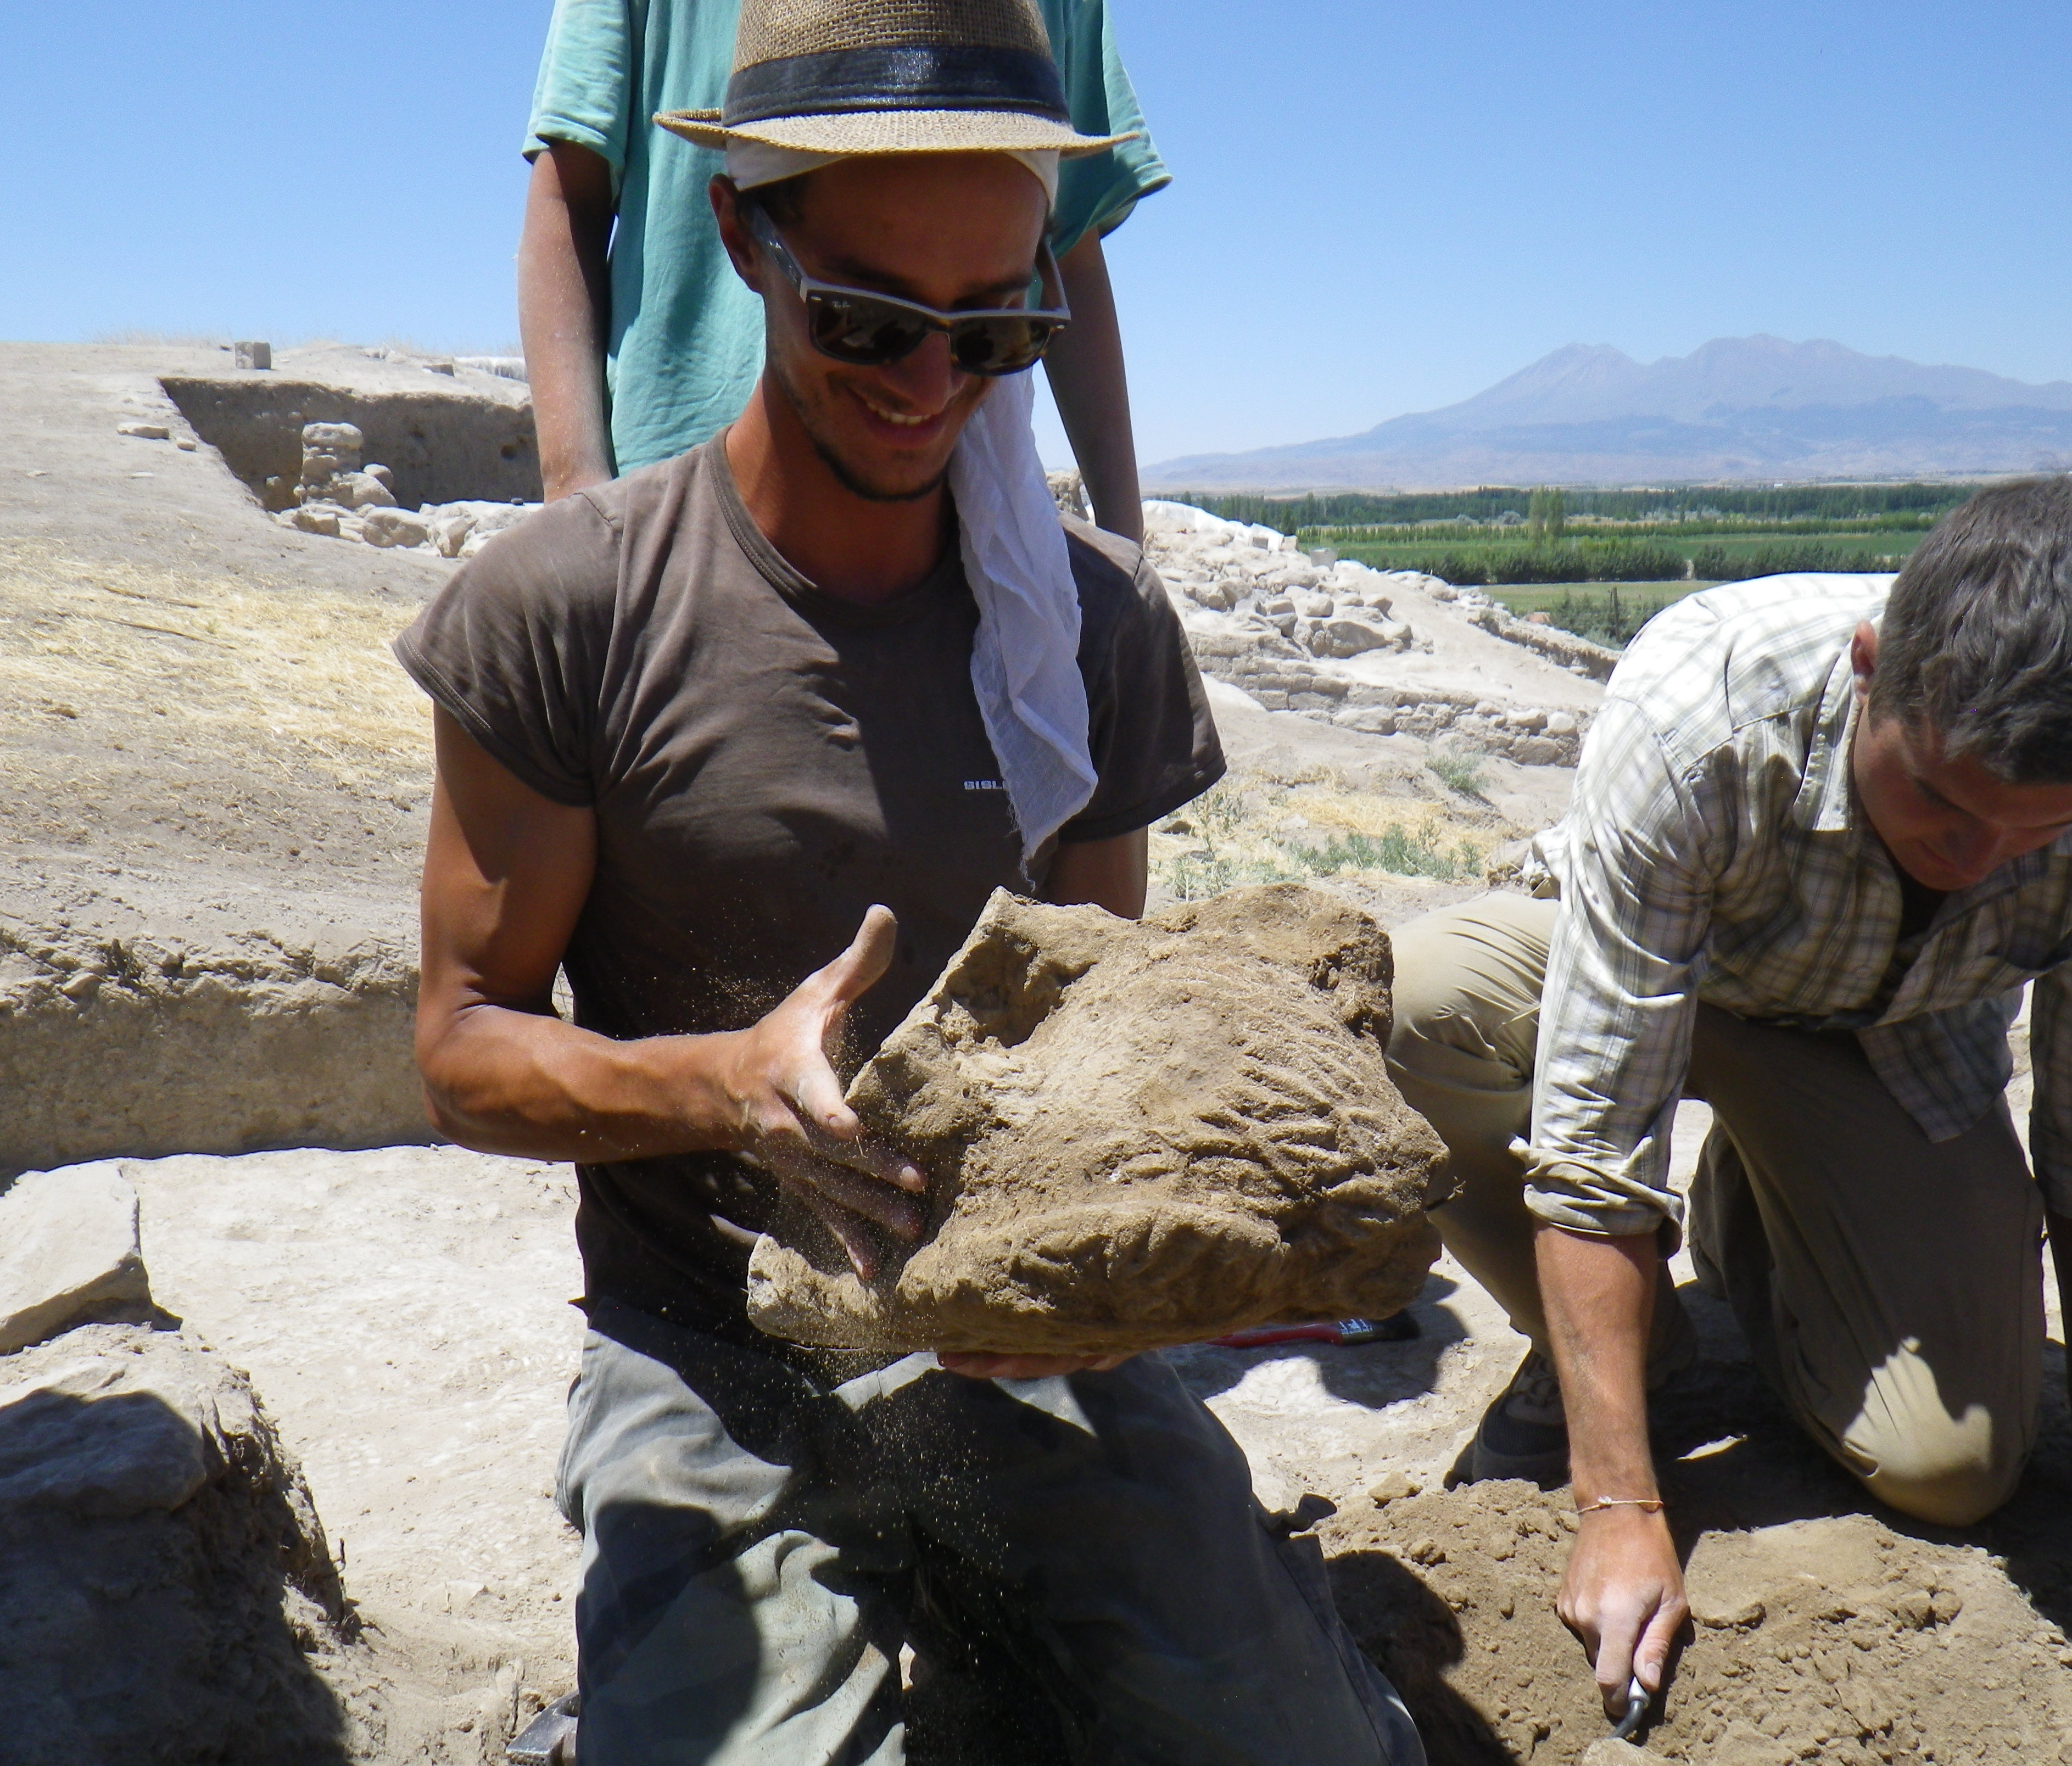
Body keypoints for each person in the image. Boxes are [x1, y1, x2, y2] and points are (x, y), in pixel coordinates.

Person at [395, 1, 1425, 1759]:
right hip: (709, 1347)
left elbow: (1121, 1031)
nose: (932, 384)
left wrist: (1208, 1236)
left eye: (997, 327)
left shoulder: (1086, 632)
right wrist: (713, 1086)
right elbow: (466, 1048)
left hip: (1025, 1345)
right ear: (744, 239)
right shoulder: (570, 609)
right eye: (869, 319)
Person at [1383, 475, 2072, 1719]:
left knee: (1947, 1472)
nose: (1972, 856)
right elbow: (1593, 1134)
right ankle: (1634, 1359)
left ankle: (1755, 1215)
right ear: (1872, 664)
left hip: (1887, 1043)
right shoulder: (1700, 711)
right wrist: (1617, 1502)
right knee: (1413, 1000)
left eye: (2037, 829)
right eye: (1938, 798)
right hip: (1665, 974)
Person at [517, 0, 1162, 540]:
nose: (927, 384)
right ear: (738, 234)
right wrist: (577, 496)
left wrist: (1125, 551)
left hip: (961, 530)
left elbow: (1066, 239)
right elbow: (570, 196)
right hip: (670, 500)